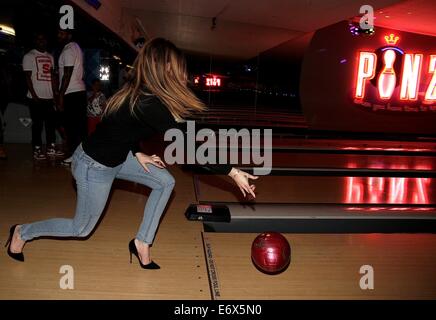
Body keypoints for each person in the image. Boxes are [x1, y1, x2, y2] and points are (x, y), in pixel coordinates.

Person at [6, 38, 258, 269]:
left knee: (165, 181)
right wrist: (233, 172)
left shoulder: (144, 94)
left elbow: (120, 127)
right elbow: (189, 146)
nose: (183, 73)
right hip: (94, 166)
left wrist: (137, 152)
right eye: (178, 67)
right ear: (165, 69)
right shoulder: (149, 102)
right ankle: (22, 231)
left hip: (117, 157)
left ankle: (142, 243)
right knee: (80, 228)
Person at [22, 32, 64, 160]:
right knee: (38, 125)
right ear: (35, 41)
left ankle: (51, 147)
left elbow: (52, 77)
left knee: (50, 124)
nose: (42, 41)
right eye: (39, 39)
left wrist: (55, 95)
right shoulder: (29, 56)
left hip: (49, 97)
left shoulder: (50, 57)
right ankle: (37, 149)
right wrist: (34, 95)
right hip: (35, 97)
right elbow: (27, 78)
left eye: (44, 39)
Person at [56, 29, 87, 165]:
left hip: (71, 92)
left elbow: (67, 74)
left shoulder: (68, 50)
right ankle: (81, 157)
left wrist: (61, 95)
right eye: (58, 33)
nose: (59, 35)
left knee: (72, 127)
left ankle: (74, 157)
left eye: (62, 33)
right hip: (79, 91)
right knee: (79, 127)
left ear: (69, 35)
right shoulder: (77, 48)